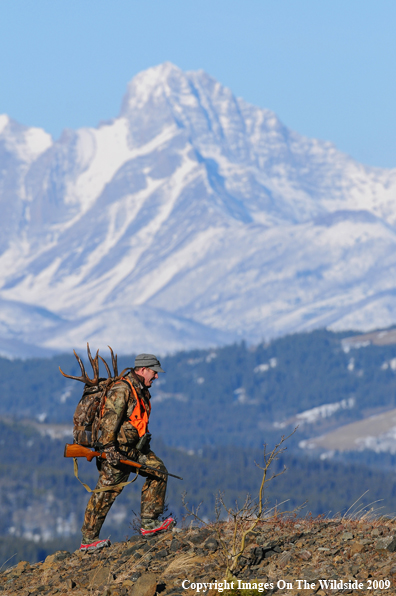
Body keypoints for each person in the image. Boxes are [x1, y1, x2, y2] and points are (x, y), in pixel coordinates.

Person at [80, 353, 174, 552]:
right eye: (154, 372)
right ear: (142, 370)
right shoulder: (122, 389)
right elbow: (109, 421)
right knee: (107, 492)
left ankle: (150, 523)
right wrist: (109, 449)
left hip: (134, 449)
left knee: (159, 471)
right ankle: (88, 540)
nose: (156, 377)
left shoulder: (140, 389)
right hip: (116, 451)